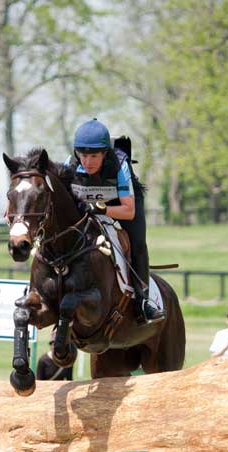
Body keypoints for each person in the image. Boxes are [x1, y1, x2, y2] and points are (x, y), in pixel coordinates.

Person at [64, 118, 164, 323]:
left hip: (121, 204)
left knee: (137, 244)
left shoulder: (119, 164)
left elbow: (128, 211)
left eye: (94, 156)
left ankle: (143, 300)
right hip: (88, 207)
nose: (87, 162)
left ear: (105, 154)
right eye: (83, 155)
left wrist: (101, 208)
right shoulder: (70, 165)